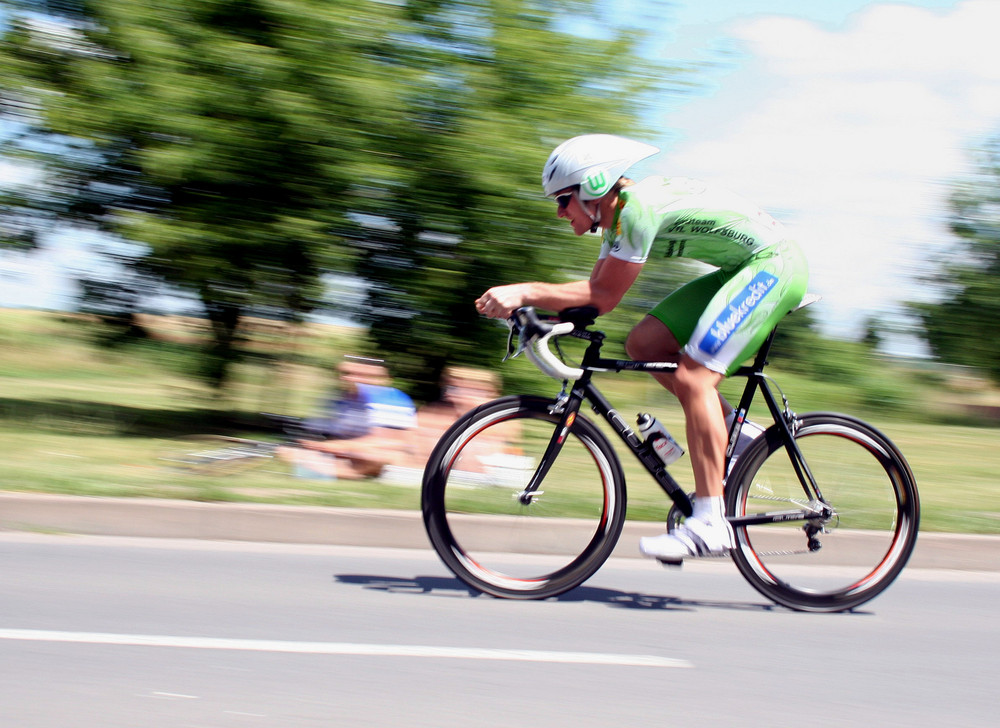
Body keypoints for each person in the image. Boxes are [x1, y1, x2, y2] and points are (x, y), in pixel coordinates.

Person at [474, 134, 808, 562]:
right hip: (742, 269)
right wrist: (545, 321)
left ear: (592, 187)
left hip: (773, 266)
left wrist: (524, 292)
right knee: (643, 343)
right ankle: (735, 433)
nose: (559, 213)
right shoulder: (617, 222)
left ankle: (710, 523)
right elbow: (591, 302)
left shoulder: (636, 212)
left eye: (562, 200)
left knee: (694, 378)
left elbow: (603, 294)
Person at [280, 359, 417, 480]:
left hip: (383, 455)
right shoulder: (341, 400)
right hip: (351, 453)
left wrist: (331, 446)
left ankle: (328, 473)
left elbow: (389, 442)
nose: (357, 379)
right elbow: (332, 434)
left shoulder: (390, 398)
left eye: (369, 376)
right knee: (287, 451)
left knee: (374, 456)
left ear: (385, 379)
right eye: (349, 374)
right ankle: (322, 472)